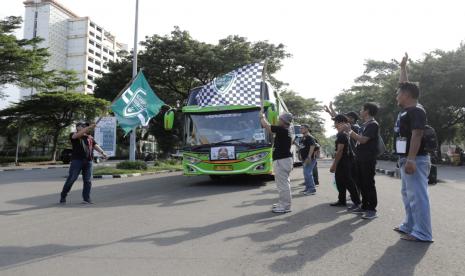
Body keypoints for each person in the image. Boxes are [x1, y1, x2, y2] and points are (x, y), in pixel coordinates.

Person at [393, 53, 433, 242]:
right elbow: (406, 86)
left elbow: (417, 135)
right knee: (408, 194)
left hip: (415, 158)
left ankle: (423, 233)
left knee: (417, 196)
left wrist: (410, 159)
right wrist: (403, 68)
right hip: (407, 158)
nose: (397, 94)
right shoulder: (408, 109)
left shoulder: (417, 110)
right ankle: (410, 225)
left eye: (399, 93)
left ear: (407, 96)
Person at [344, 102, 380, 219]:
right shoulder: (364, 125)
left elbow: (363, 140)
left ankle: (372, 209)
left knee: (368, 183)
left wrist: (350, 131)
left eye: (362, 109)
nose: (360, 111)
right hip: (359, 158)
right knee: (361, 183)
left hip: (368, 158)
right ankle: (364, 206)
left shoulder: (373, 124)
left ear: (367, 111)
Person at [60, 122, 108, 204]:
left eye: (84, 126)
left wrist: (103, 152)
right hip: (77, 161)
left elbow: (95, 145)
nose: (84, 127)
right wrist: (89, 127)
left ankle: (86, 198)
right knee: (72, 179)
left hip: (88, 161)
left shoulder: (89, 137)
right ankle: (63, 195)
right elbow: (78, 135)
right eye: (82, 126)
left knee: (88, 180)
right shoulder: (74, 135)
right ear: (77, 127)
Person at [260, 111, 294, 213]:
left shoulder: (282, 129)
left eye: (280, 119)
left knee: (283, 185)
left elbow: (268, 127)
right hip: (283, 160)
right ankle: (283, 203)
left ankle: (285, 206)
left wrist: (262, 117)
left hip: (282, 160)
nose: (278, 120)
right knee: (282, 184)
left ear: (283, 121)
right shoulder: (286, 130)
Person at [329, 115, 361, 208]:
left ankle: (357, 202)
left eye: (336, 122)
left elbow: (340, 151)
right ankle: (342, 200)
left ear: (341, 123)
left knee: (348, 182)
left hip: (344, 161)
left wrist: (334, 165)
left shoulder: (342, 134)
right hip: (346, 160)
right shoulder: (343, 133)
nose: (335, 124)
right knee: (340, 181)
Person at [299, 124, 317, 195]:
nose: (301, 130)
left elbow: (312, 146)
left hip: (310, 158)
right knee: (306, 173)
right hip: (304, 158)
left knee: (308, 173)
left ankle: (312, 189)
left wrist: (309, 156)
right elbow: (301, 147)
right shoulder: (303, 137)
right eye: (300, 128)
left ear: (307, 129)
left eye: (302, 128)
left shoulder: (310, 137)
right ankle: (307, 188)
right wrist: (299, 155)